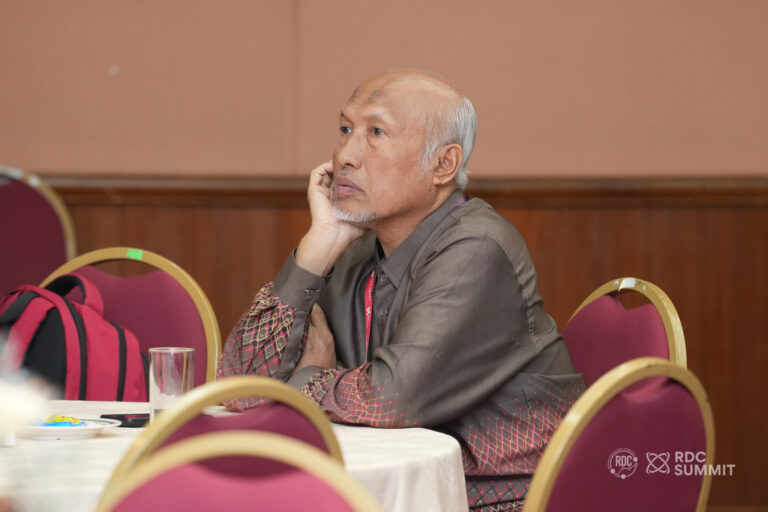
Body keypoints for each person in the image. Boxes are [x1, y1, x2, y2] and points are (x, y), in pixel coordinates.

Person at [218, 70, 585, 511]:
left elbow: (389, 400)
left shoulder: (476, 248)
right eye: (345, 129)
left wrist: (305, 379)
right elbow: (238, 386)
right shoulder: (354, 249)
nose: (345, 156)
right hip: (395, 490)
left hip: (504, 498)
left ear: (443, 165)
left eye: (376, 133)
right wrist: (320, 245)